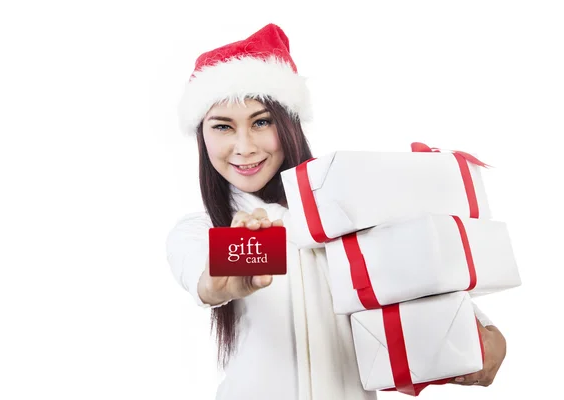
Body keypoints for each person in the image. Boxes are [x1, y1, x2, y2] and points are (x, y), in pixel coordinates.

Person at [166, 23, 507, 400]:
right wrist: (222, 282)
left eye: (261, 122)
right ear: (203, 135)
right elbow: (205, 278)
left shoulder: (349, 212)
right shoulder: (201, 230)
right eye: (223, 127)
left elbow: (420, 286)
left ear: (289, 124)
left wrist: (485, 336)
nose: (244, 147)